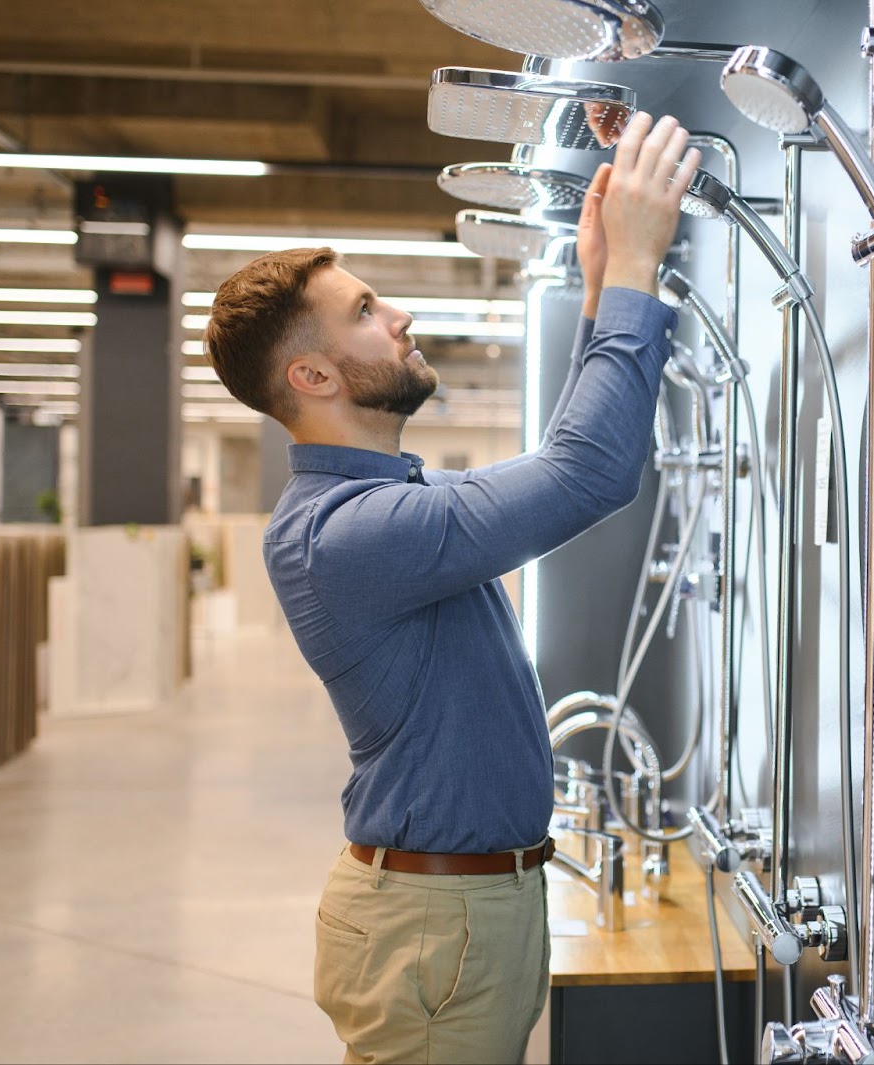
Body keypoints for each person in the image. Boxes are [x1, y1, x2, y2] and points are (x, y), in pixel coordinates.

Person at [200, 112, 702, 1064]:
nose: (398, 317)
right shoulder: (348, 536)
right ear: (311, 374)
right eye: (364, 312)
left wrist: (602, 287)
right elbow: (587, 473)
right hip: (438, 922)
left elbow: (566, 464)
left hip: (458, 910)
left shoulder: (397, 501)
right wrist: (636, 265)